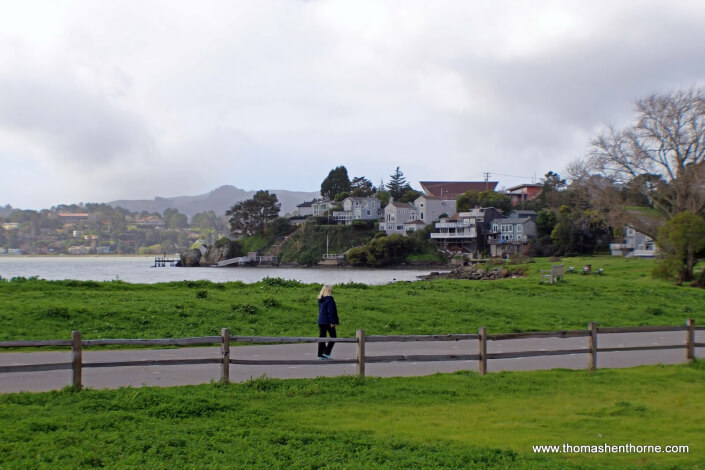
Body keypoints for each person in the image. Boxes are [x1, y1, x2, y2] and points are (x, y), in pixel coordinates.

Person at [317, 284, 339, 360]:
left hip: (321, 320)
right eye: (330, 290)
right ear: (329, 291)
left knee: (322, 338)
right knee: (334, 337)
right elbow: (330, 311)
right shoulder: (330, 299)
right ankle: (326, 352)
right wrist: (332, 322)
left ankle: (320, 355)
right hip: (328, 321)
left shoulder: (320, 299)